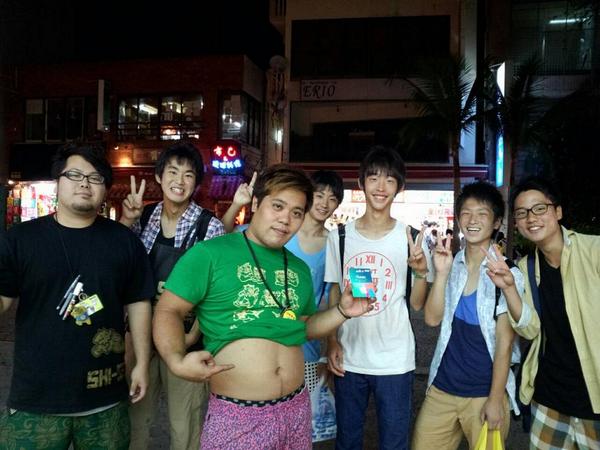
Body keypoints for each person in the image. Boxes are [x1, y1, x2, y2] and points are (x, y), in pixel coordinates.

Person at [152, 164, 375, 449]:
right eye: (278, 206)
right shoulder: (210, 253)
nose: (286, 219)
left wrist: (342, 311)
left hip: (296, 408)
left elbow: (304, 327)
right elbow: (168, 309)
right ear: (256, 203)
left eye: (297, 212)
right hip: (237, 414)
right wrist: (175, 360)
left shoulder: (298, 269)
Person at [0, 144, 153, 450]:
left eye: (95, 178)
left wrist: (141, 363)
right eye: (74, 175)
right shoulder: (20, 239)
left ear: (105, 190)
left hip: (105, 398)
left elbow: (138, 303)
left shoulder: (124, 242)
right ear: (57, 182)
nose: (84, 183)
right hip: (36, 400)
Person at [222, 168, 345, 442]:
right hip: (257, 335)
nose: (325, 203)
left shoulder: (332, 243)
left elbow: (332, 294)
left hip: (305, 337)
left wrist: (332, 342)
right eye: (319, 195)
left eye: (333, 198)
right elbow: (223, 237)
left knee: (300, 415)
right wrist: (237, 204)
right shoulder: (278, 231)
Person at [325, 145, 432, 450]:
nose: (381, 187)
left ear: (400, 187)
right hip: (350, 356)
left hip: (395, 360)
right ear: (361, 183)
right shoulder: (340, 236)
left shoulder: (411, 238)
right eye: (373, 178)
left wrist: (421, 272)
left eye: (389, 179)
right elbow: (335, 292)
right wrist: (332, 341)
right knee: (347, 441)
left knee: (394, 443)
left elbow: (417, 304)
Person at [120, 142, 225, 450]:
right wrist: (127, 220)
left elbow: (215, 294)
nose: (180, 181)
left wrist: (192, 337)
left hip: (185, 341)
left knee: (185, 426)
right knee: (135, 420)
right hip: (140, 338)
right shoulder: (143, 217)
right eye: (173, 172)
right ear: (159, 176)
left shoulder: (209, 227)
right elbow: (119, 264)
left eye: (188, 175)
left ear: (196, 183)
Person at [413, 181, 526, 450]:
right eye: (466, 213)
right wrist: (441, 274)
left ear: (496, 222)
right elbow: (432, 319)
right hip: (442, 387)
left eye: (482, 214)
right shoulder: (451, 263)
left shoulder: (509, 274)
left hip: (484, 393)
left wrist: (495, 400)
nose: (472, 220)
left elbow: (505, 344)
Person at [509, 176, 600, 450]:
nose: (531, 218)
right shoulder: (525, 268)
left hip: (595, 400)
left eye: (539, 208)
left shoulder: (593, 250)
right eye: (522, 213)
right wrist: (509, 288)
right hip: (549, 399)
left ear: (558, 212)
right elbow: (530, 330)